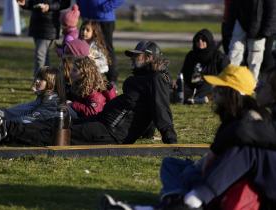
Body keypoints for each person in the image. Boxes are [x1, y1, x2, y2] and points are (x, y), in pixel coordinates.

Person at [100, 65, 269, 210]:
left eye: (219, 89)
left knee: (188, 173)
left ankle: (178, 203)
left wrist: (202, 168)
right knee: (171, 164)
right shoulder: (232, 117)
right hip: (214, 174)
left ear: (233, 94)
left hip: (228, 181)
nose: (214, 94)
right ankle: (176, 202)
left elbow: (233, 163)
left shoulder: (251, 124)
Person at [0, 41, 177, 146]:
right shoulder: (146, 79)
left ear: (150, 57)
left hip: (111, 132)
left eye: (137, 55)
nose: (132, 59)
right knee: (58, 122)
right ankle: (5, 132)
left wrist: (170, 138)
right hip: (104, 122)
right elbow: (146, 109)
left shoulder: (156, 79)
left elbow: (160, 108)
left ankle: (7, 131)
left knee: (59, 133)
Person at [183, 67, 276, 209]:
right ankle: (189, 197)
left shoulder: (255, 117)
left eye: (264, 85)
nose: (256, 89)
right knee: (172, 165)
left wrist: (215, 149)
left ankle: (198, 195)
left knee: (249, 150)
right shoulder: (267, 116)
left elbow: (243, 130)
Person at [0, 38, 90, 128]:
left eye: (68, 54)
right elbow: (52, 93)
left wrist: (72, 104)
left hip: (53, 112)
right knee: (3, 114)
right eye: (64, 52)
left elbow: (89, 106)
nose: (63, 56)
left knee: (9, 118)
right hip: (44, 105)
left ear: (79, 58)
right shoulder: (63, 72)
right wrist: (42, 91)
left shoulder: (84, 79)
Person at [76, 0, 125, 85]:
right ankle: (85, 75)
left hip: (104, 19)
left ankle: (111, 78)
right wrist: (82, 10)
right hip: (87, 18)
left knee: (106, 48)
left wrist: (105, 7)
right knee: (84, 48)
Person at [16, 0, 70, 76]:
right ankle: (48, 80)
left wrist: (49, 7)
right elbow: (33, 4)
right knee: (44, 56)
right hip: (36, 24)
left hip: (50, 25)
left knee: (40, 54)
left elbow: (65, 3)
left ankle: (39, 80)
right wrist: (25, 4)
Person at [176, 29, 229, 104]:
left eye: (203, 39)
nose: (200, 42)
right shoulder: (191, 55)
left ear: (209, 41)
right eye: (197, 40)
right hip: (192, 85)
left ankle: (199, 99)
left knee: (208, 85)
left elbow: (227, 73)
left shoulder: (218, 57)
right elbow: (184, 74)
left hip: (211, 85)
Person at [227, 0, 276, 80]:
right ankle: (230, 81)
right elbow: (234, 6)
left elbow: (272, 9)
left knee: (255, 59)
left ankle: (251, 85)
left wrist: (265, 32)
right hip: (242, 21)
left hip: (259, 27)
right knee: (234, 52)